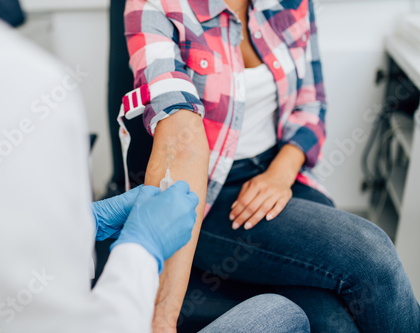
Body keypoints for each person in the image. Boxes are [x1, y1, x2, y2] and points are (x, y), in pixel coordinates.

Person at [0, 1, 310, 332]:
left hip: (272, 175)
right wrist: (143, 254)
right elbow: (83, 321)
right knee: (288, 313)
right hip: (180, 243)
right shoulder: (24, 88)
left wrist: (84, 226)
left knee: (324, 309)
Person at [123, 0, 420, 332]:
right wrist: (162, 317)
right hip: (204, 194)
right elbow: (180, 136)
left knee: (339, 315)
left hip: (280, 172)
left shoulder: (293, 4)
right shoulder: (156, 7)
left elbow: (312, 103)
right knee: (371, 257)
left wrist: (281, 172)